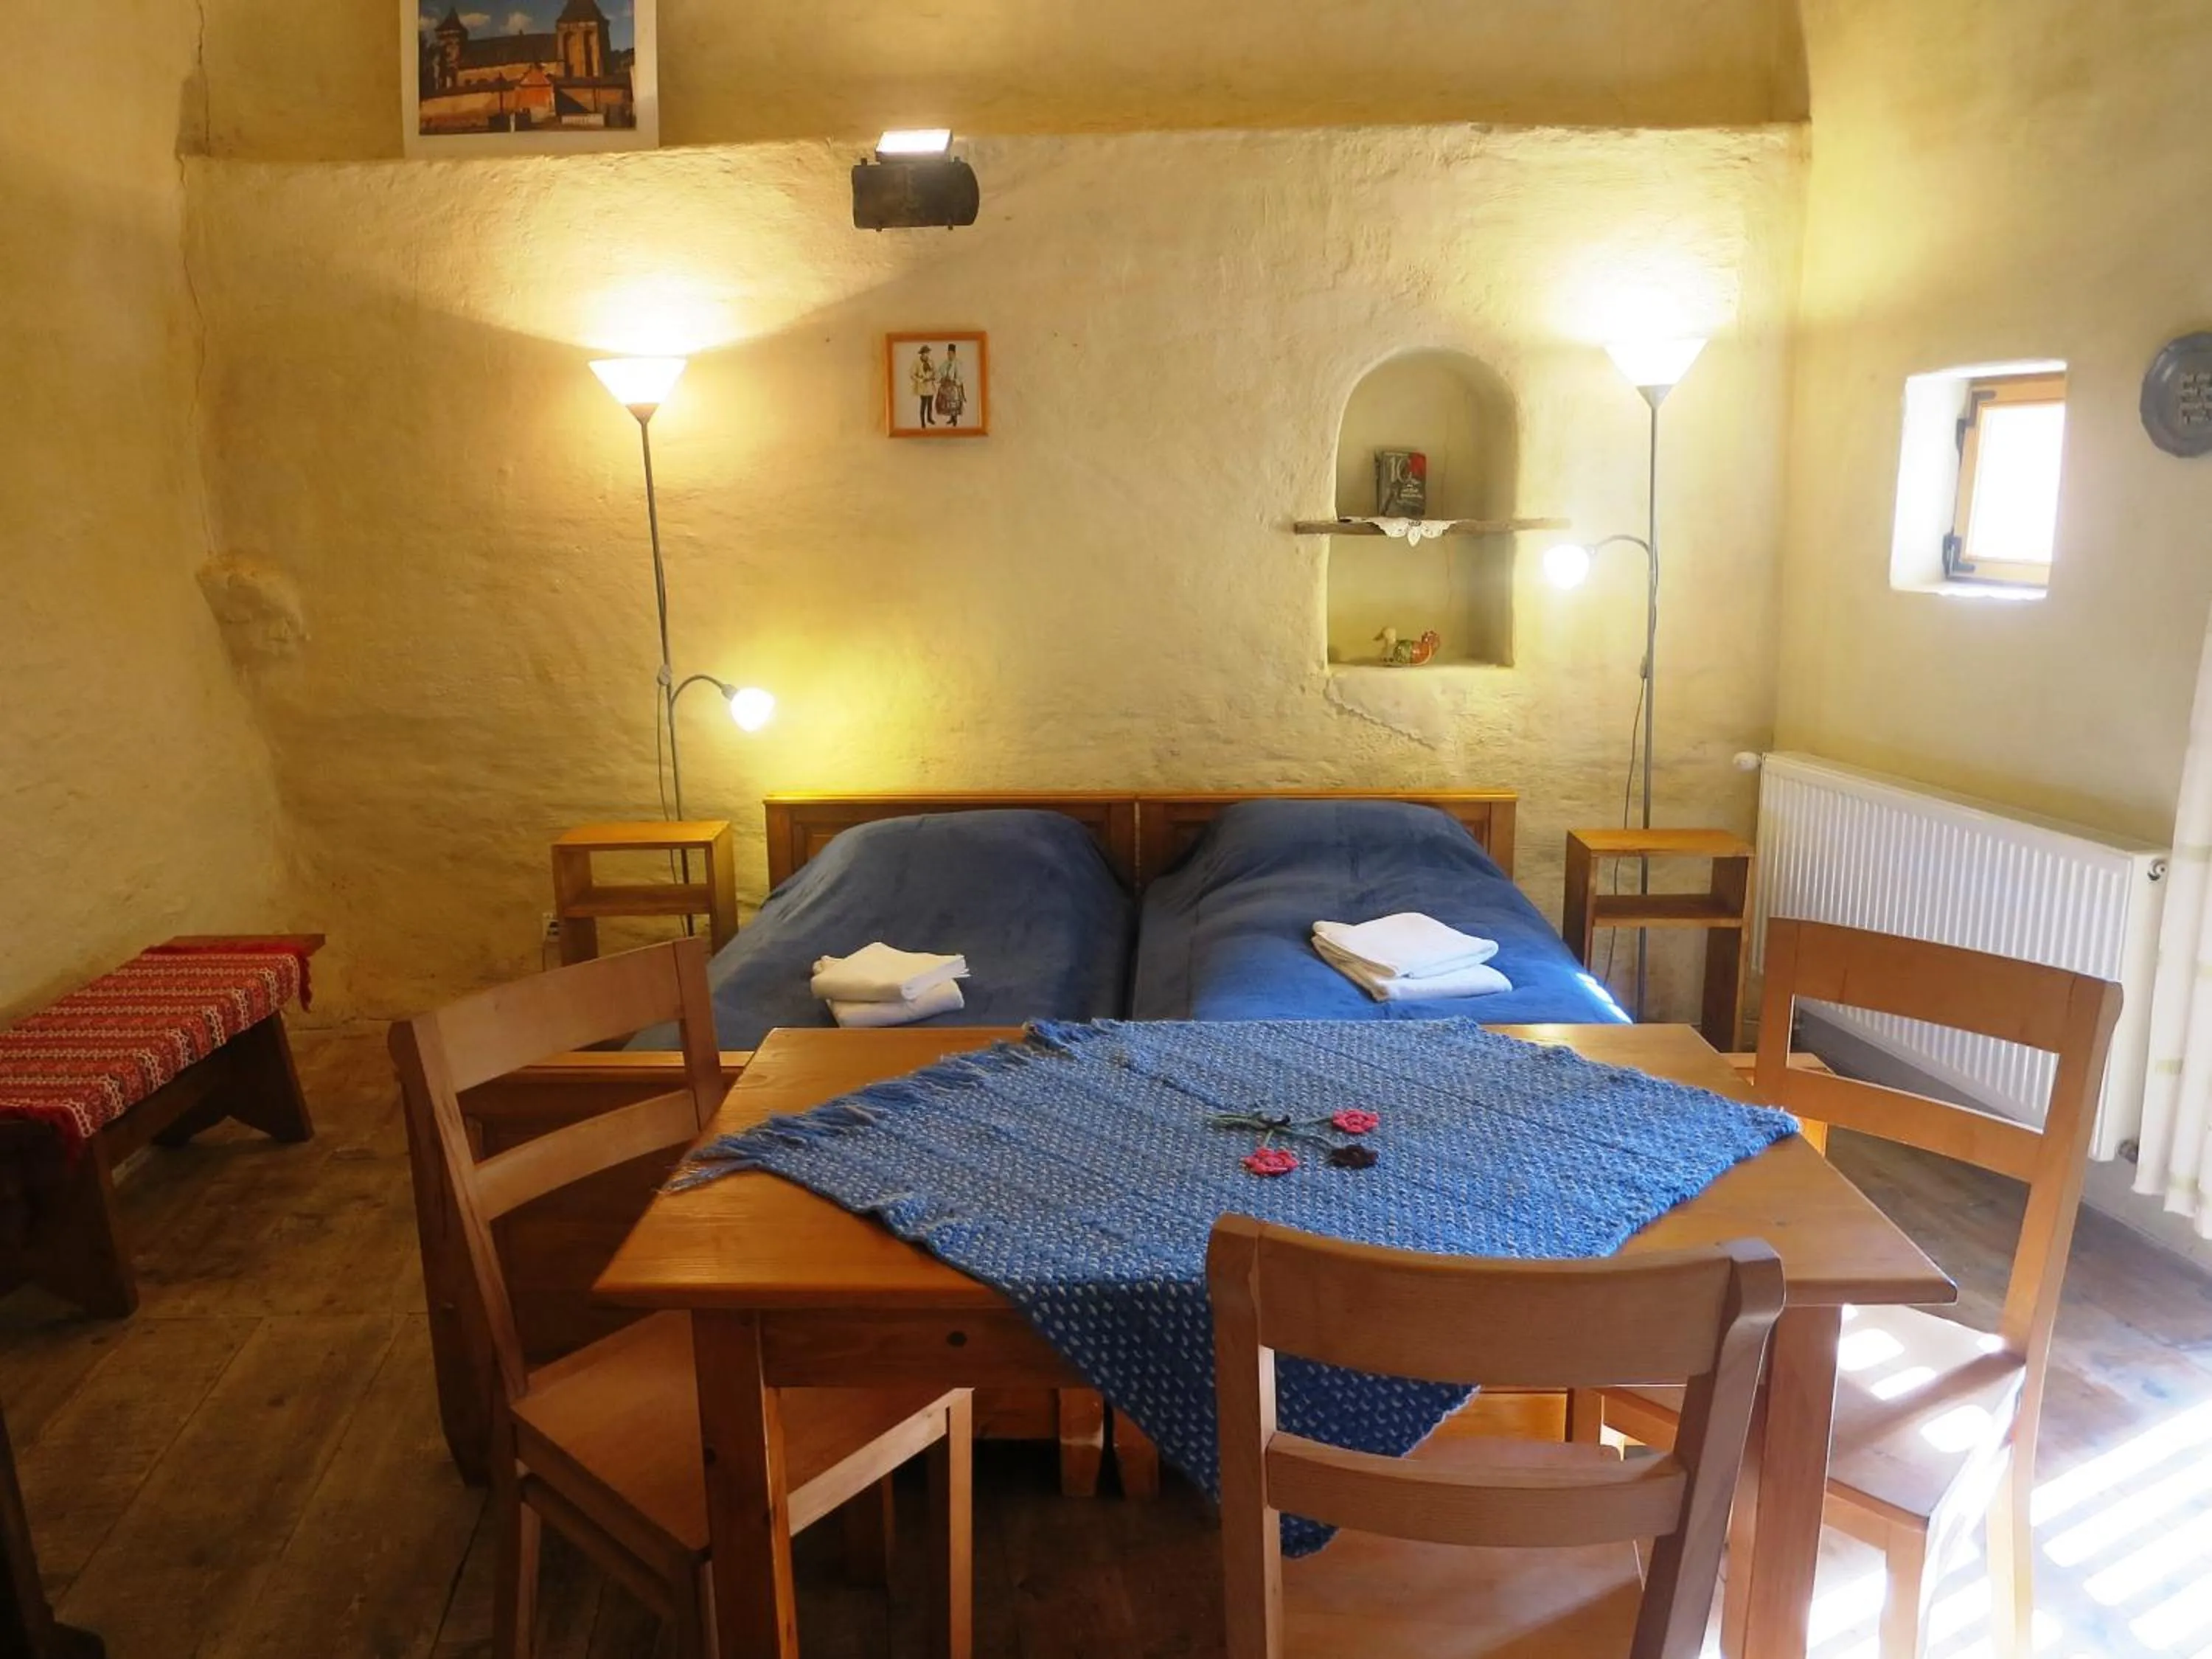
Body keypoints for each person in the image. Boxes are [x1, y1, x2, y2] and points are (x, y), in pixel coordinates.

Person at [936, 343, 967, 426]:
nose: (949, 355)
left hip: (954, 386)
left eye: (951, 354)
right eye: (948, 353)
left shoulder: (958, 363)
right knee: (948, 404)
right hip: (946, 386)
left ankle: (955, 419)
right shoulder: (945, 363)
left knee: (954, 403)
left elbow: (960, 376)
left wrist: (954, 381)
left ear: (954, 354)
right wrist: (941, 379)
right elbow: (939, 372)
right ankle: (951, 418)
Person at [909, 345, 937, 428]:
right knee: (923, 405)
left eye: (928, 353)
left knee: (930, 404)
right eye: (925, 353)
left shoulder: (931, 362)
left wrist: (934, 377)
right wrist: (920, 380)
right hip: (922, 387)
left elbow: (935, 371)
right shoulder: (917, 363)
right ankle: (923, 422)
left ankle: (929, 418)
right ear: (922, 354)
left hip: (930, 386)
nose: (927, 355)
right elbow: (912, 375)